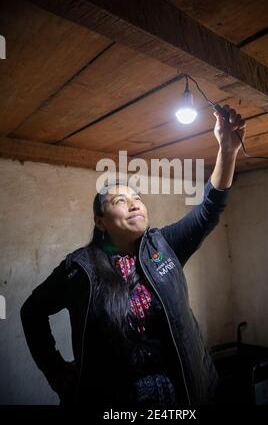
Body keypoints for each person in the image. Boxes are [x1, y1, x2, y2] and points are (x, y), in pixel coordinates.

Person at [20, 105, 246, 408]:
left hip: (182, 393)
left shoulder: (164, 245)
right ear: (100, 221)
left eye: (137, 198)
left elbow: (209, 209)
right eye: (120, 200)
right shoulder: (80, 268)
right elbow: (32, 310)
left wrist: (227, 150)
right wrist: (55, 368)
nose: (134, 204)